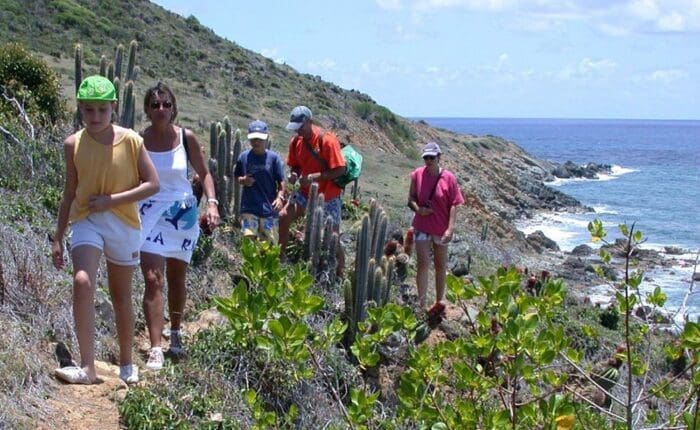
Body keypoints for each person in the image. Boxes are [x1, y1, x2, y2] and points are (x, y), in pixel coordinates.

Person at [51, 75, 160, 384]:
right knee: (82, 281)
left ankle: (127, 362)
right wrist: (58, 238)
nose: (95, 116)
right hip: (86, 219)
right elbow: (69, 192)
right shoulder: (73, 144)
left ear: (114, 107)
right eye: (88, 110)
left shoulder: (131, 140)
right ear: (80, 109)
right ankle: (88, 367)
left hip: (124, 225)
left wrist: (112, 200)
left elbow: (152, 184)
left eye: (101, 109)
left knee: (120, 295)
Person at [139, 82, 220, 370]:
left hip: (181, 215)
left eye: (166, 104)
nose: (161, 109)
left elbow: (204, 173)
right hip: (150, 214)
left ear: (174, 108)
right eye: (155, 105)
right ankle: (155, 347)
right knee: (152, 277)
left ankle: (175, 332)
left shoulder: (187, 138)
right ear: (147, 110)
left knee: (176, 278)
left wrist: (211, 203)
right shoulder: (138, 141)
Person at [278, 106, 346, 275]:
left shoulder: (327, 141)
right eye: (295, 128)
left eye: (300, 127)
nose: (298, 132)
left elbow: (340, 170)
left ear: (309, 122)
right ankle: (281, 257)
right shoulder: (296, 142)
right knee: (284, 216)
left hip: (328, 196)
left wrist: (314, 177)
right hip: (304, 192)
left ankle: (340, 271)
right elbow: (295, 165)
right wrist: (293, 174)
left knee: (333, 237)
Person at [407, 142, 464, 312]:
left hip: (440, 228)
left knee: (440, 265)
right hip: (422, 225)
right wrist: (419, 210)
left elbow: (454, 203)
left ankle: (439, 302)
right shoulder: (417, 174)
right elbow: (410, 198)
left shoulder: (449, 178)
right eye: (426, 157)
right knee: (423, 264)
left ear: (439, 157)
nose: (429, 160)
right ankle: (422, 303)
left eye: (432, 157)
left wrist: (450, 229)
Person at [234, 120, 286, 243]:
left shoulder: (274, 158)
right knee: (248, 242)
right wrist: (243, 180)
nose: (256, 142)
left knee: (270, 245)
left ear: (266, 138)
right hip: (249, 207)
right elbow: (237, 176)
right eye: (254, 139)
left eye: (260, 139)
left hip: (268, 209)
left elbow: (281, 181)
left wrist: (280, 198)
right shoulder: (243, 157)